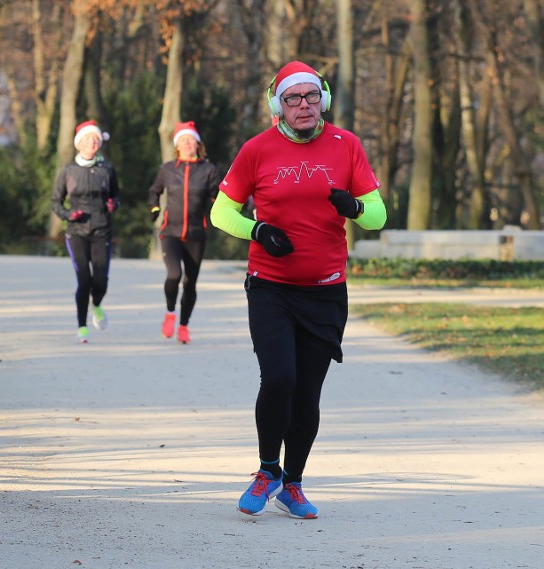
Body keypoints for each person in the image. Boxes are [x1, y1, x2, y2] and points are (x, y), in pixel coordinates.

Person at [209, 61, 387, 519]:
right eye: (293, 98)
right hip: (270, 287)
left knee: (307, 392)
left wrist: (356, 207)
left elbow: (377, 215)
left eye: (311, 96)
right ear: (278, 105)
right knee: (280, 379)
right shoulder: (256, 150)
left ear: (322, 99)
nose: (303, 105)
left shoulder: (347, 145)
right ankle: (267, 470)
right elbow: (220, 213)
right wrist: (257, 230)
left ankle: (294, 484)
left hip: (327, 290)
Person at [148, 121, 222, 344]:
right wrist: (154, 207)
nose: (188, 143)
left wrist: (237, 205)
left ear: (198, 143)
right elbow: (154, 190)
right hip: (170, 233)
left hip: (196, 235)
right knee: (174, 275)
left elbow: (219, 196)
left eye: (191, 140)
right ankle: (170, 313)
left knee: (190, 282)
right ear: (177, 145)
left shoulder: (208, 170)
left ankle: (183, 326)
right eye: (183, 140)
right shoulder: (168, 169)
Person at [52, 120, 120, 343]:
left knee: (101, 281)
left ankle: (97, 305)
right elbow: (56, 202)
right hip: (77, 232)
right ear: (79, 143)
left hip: (102, 230)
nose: (93, 142)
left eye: (96, 139)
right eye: (89, 139)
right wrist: (67, 215)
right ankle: (82, 327)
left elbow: (116, 197)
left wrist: (113, 205)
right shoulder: (68, 171)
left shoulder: (107, 169)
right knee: (83, 280)